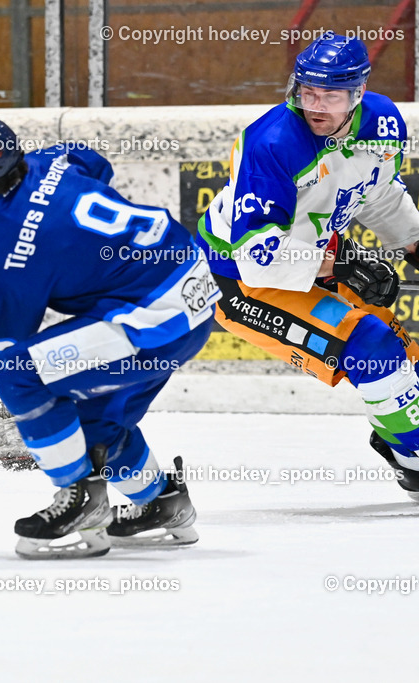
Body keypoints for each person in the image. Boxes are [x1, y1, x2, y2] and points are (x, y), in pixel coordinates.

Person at [0, 116, 221, 558]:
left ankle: (80, 499)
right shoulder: (53, 161)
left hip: (152, 318)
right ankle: (163, 503)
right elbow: (95, 163)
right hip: (192, 290)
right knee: (94, 424)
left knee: (18, 374)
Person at [196, 33, 419, 502]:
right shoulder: (273, 142)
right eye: (307, 91)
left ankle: (397, 435)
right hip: (237, 280)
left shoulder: (383, 122)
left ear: (358, 93)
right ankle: (415, 461)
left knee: (404, 357)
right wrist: (341, 264)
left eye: (330, 95)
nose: (315, 105)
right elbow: (256, 256)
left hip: (312, 256)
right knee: (373, 347)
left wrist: (413, 242)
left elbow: (377, 192)